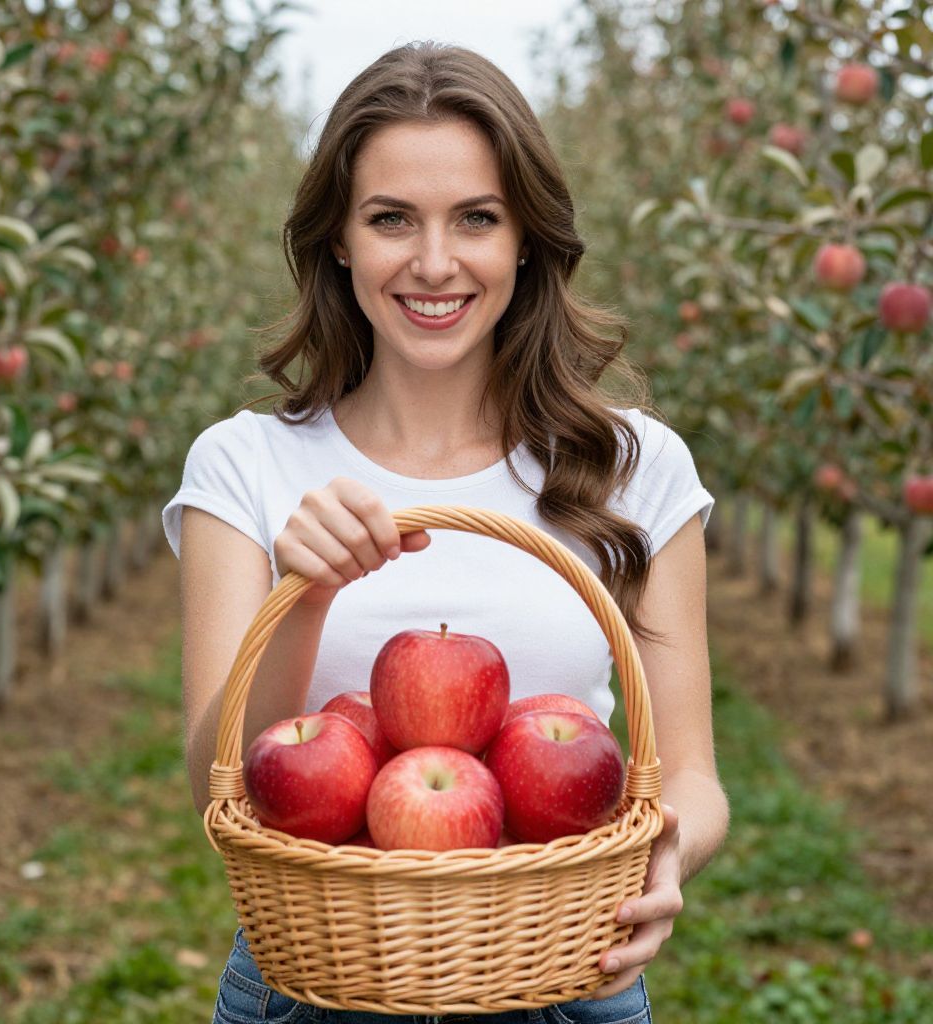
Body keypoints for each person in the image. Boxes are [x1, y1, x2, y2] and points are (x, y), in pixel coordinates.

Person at [162, 40, 729, 1024]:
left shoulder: (633, 464)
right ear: (338, 239)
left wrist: (668, 851)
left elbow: (690, 774)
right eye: (391, 220)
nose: (434, 262)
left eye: (476, 217)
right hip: (314, 982)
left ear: (524, 239)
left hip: (567, 971)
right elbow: (217, 783)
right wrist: (309, 591)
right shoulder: (244, 462)